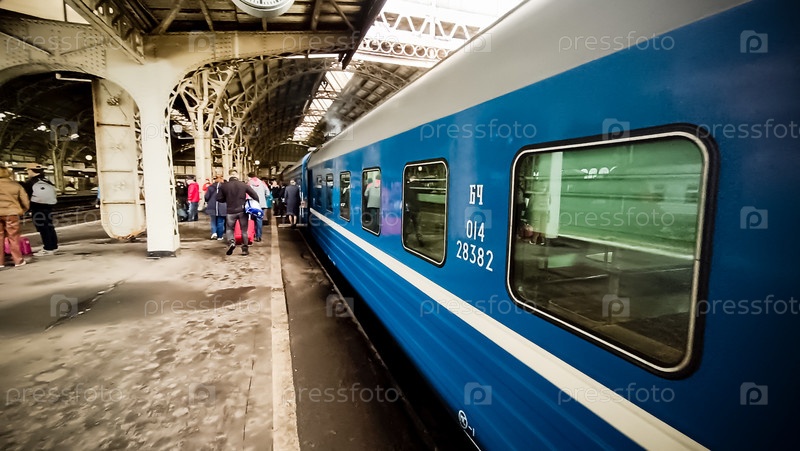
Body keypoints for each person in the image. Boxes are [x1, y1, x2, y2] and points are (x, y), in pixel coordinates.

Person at [216, 170, 258, 256]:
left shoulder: (224, 186)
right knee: (244, 231)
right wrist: (252, 204)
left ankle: (232, 242)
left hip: (230, 211)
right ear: (237, 176)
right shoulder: (243, 185)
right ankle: (244, 249)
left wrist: (227, 199)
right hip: (242, 211)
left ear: (229, 176)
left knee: (229, 229)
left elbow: (219, 198)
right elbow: (255, 195)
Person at [24, 165, 58, 256]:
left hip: (37, 207)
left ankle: (48, 248)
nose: (27, 172)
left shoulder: (30, 182)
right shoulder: (47, 181)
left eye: (28, 170)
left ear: (32, 171)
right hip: (48, 207)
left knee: (43, 228)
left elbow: (26, 196)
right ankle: (53, 246)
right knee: (49, 226)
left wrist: (27, 208)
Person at [0, 167, 30, 267]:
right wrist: (23, 210)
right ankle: (18, 261)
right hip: (11, 213)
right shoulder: (16, 185)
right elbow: (25, 200)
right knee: (13, 237)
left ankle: (0, 262)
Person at [247, 172, 268, 242]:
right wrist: (263, 198)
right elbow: (268, 193)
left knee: (252, 220)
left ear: (249, 177)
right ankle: (259, 236)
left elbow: (247, 194)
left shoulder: (249, 183)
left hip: (253, 204)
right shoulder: (262, 183)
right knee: (259, 220)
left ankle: (253, 234)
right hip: (261, 204)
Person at [204, 175, 227, 240]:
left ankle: (214, 233)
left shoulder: (210, 187)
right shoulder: (225, 187)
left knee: (213, 220)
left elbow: (206, 197)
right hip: (222, 205)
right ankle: (220, 236)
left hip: (212, 205)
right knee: (220, 221)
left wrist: (207, 201)